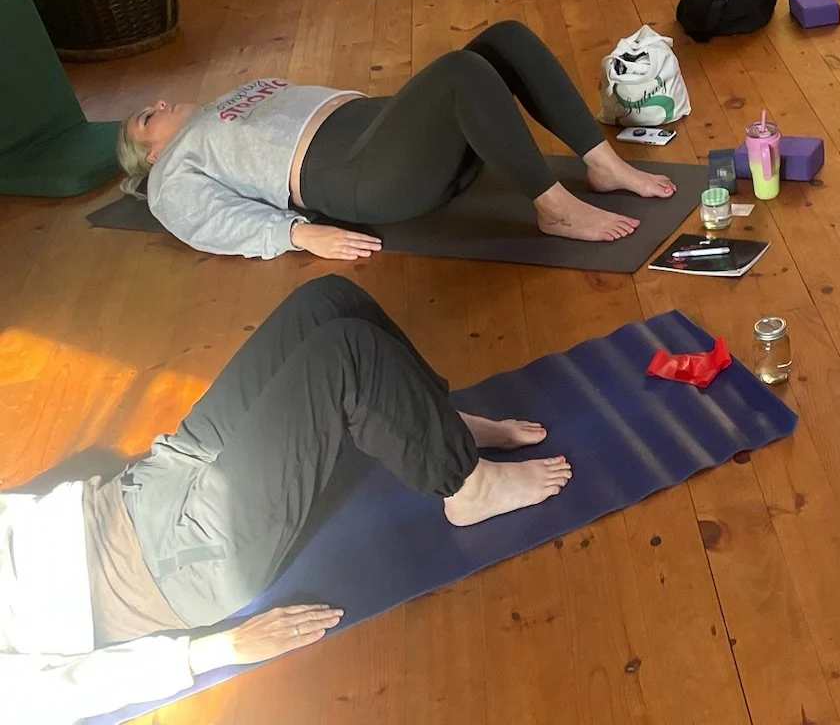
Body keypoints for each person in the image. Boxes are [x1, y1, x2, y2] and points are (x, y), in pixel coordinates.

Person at [1, 277, 573, 724]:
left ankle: (436, 422)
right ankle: (469, 488)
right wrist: (207, 653)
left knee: (327, 302)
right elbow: (47, 699)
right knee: (345, 356)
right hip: (174, 564)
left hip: (146, 484)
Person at [116, 20, 674, 260]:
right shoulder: (172, 172)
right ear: (153, 154)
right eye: (147, 118)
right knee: (460, 69)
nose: (160, 105)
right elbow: (205, 222)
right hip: (364, 178)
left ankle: (605, 165)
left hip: (402, 144)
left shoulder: (228, 100)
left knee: (504, 38)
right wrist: (296, 236)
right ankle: (556, 208)